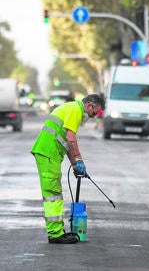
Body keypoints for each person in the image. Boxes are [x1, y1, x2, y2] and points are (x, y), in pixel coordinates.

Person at [30, 94, 104, 244]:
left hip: (49, 154)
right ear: (89, 105)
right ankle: (55, 233)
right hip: (48, 154)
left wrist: (75, 163)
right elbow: (71, 138)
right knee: (53, 194)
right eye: (95, 112)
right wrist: (79, 159)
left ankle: (57, 231)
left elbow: (66, 140)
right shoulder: (76, 110)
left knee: (54, 193)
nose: (94, 116)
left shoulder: (71, 108)